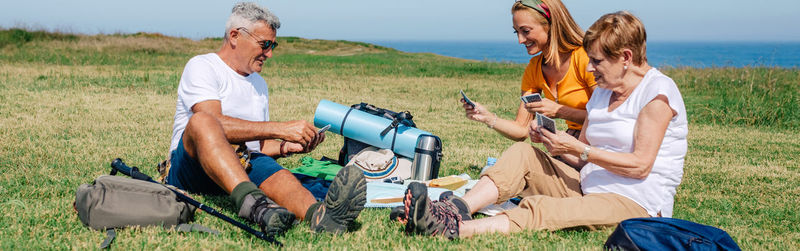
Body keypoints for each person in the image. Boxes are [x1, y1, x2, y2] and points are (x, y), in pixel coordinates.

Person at [403, 11, 688, 239]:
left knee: (549, 210)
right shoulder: (603, 91)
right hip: (588, 185)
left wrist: (580, 150)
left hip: (636, 203)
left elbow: (640, 166)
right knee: (523, 154)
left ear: (626, 57)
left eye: (597, 61)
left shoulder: (657, 94)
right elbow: (582, 155)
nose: (589, 68)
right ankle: (456, 209)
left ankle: (454, 230)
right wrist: (557, 145)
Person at [164, 2, 366, 237]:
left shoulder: (259, 84)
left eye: (273, 45)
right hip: (191, 166)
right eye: (265, 44)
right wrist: (280, 128)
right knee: (202, 121)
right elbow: (213, 123)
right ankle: (256, 206)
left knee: (276, 173)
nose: (269, 53)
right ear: (235, 36)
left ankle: (320, 217)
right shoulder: (202, 66)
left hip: (240, 162)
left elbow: (257, 146)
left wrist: (285, 146)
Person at [462, 0, 596, 141]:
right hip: (572, 141)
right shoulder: (534, 68)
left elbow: (609, 118)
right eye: (517, 32)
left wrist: (559, 111)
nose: (520, 40)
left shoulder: (586, 59)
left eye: (525, 31)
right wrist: (487, 118)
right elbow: (521, 129)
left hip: (601, 144)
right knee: (520, 153)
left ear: (550, 25)